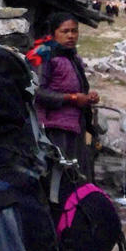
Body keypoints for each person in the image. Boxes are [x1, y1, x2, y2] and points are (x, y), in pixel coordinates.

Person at [29, 12, 99, 180]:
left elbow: (75, 86)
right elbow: (37, 92)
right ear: (53, 33)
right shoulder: (43, 55)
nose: (70, 35)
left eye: (74, 31)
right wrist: (72, 98)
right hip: (53, 129)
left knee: (77, 175)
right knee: (57, 177)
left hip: (75, 126)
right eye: (65, 31)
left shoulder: (72, 57)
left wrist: (88, 97)